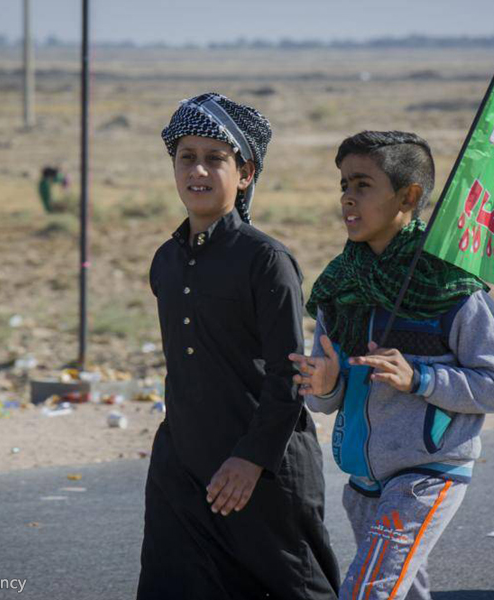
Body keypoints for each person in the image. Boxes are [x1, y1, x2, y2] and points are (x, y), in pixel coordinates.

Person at [290, 131, 494, 600]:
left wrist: (420, 378)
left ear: (408, 196)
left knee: (367, 592)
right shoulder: (340, 287)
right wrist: (325, 385)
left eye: (363, 185)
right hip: (362, 483)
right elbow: (326, 400)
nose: (347, 199)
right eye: (343, 185)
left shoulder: (450, 286)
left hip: (427, 475)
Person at [137, 93, 340, 600]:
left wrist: (251, 459)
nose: (198, 170)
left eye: (216, 158)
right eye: (187, 157)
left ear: (245, 172)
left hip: (263, 470)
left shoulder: (266, 260)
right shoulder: (165, 260)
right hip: (181, 468)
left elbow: (288, 375)